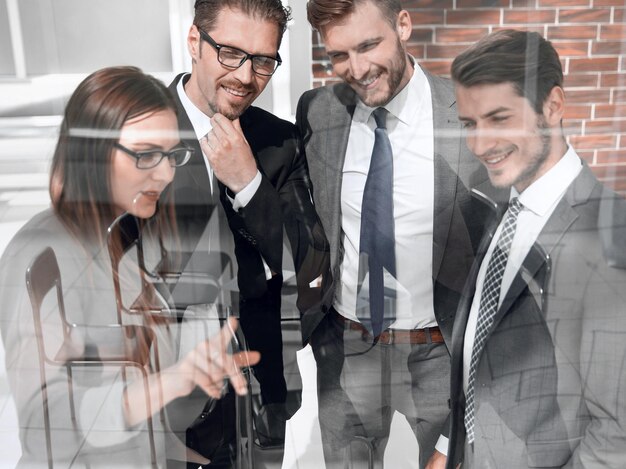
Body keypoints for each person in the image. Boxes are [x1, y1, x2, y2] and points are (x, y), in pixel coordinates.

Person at [0, 66, 260, 468]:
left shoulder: (120, 237)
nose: (166, 173)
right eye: (146, 154)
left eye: (172, 154)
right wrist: (169, 382)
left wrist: (172, 451)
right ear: (92, 153)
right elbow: (46, 424)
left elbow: (114, 374)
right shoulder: (39, 252)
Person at [296, 1, 497, 467]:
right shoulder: (319, 111)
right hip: (347, 344)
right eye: (339, 55)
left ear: (403, 24)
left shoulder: (470, 112)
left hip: (439, 351)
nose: (358, 69)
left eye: (369, 45)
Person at [446, 29, 626, 468]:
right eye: (470, 124)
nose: (480, 145)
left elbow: (616, 436)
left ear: (553, 105)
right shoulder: (503, 210)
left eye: (500, 119)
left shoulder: (609, 233)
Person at [165, 0, 326, 451]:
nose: (244, 76)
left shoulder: (280, 141)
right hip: (161, 391)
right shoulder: (136, 128)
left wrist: (249, 183)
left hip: (258, 393)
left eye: (263, 60)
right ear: (195, 41)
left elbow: (311, 266)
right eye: (231, 53)